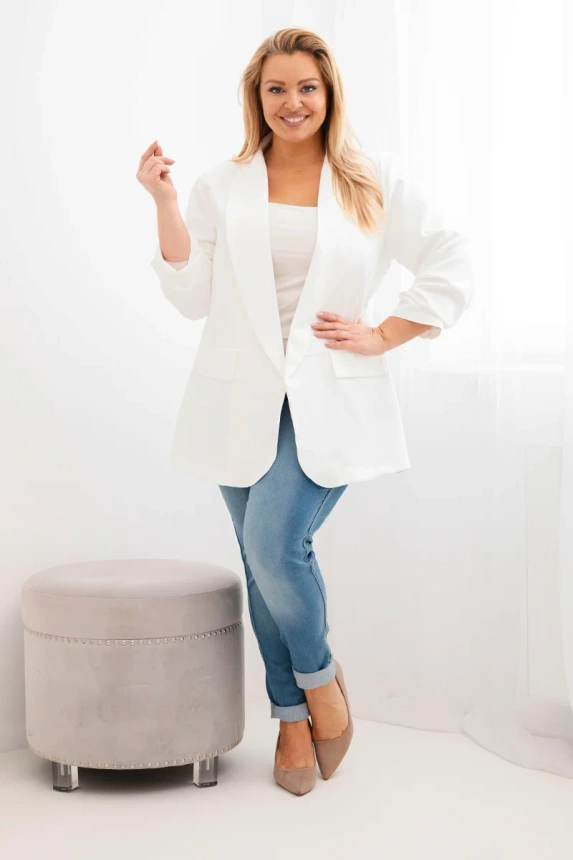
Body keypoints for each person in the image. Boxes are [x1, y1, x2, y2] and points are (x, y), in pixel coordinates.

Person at [137, 27, 474, 796]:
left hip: (329, 394)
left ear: (329, 94)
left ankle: (317, 684)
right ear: (256, 98)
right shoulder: (222, 184)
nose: (292, 102)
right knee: (259, 558)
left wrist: (384, 333)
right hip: (237, 398)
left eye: (307, 87)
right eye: (276, 89)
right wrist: (164, 202)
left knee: (273, 544)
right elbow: (192, 295)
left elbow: (450, 261)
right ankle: (290, 717)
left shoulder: (371, 177)